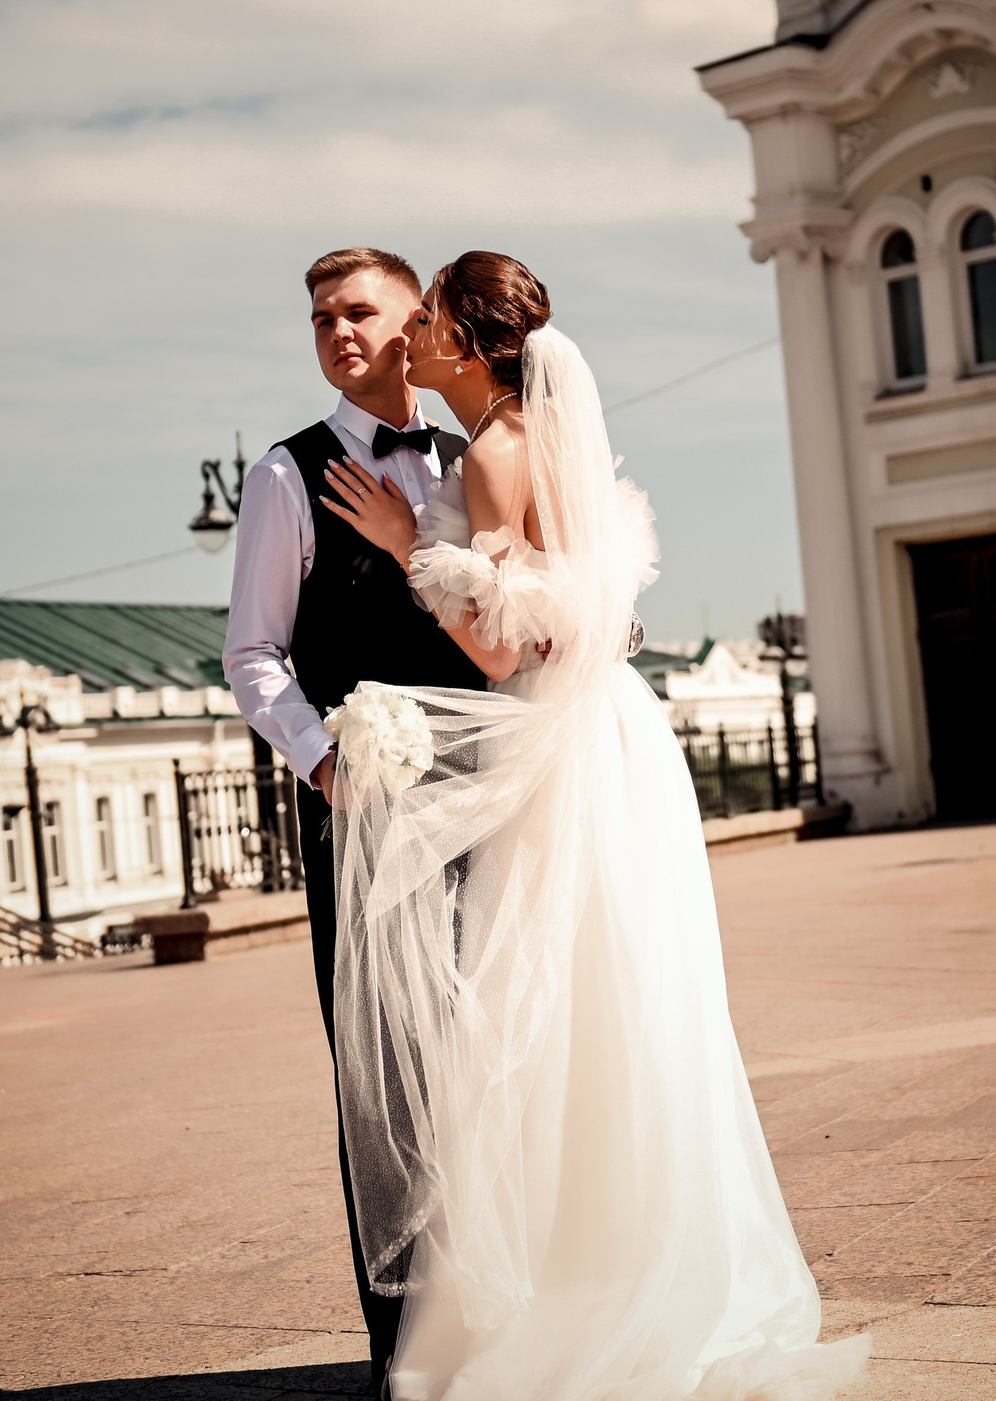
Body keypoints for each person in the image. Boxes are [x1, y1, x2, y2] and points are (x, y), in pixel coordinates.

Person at [308, 252, 868, 1400]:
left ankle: (586, 1296)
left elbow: (506, 649)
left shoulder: (502, 451)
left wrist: (402, 545)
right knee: (615, 1009)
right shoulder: (519, 440)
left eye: (423, 327)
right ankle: (631, 1267)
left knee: (547, 1015)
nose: (406, 342)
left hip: (566, 757)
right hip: (609, 741)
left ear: (462, 342)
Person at [222, 247, 488, 1396]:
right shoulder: (287, 474)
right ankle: (407, 1351)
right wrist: (328, 764)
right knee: (387, 1076)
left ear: (411, 323)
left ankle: (507, 1317)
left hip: (486, 810)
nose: (336, 332)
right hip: (365, 818)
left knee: (495, 1052)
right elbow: (251, 653)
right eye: (320, 318)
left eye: (356, 312)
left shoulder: (474, 460)